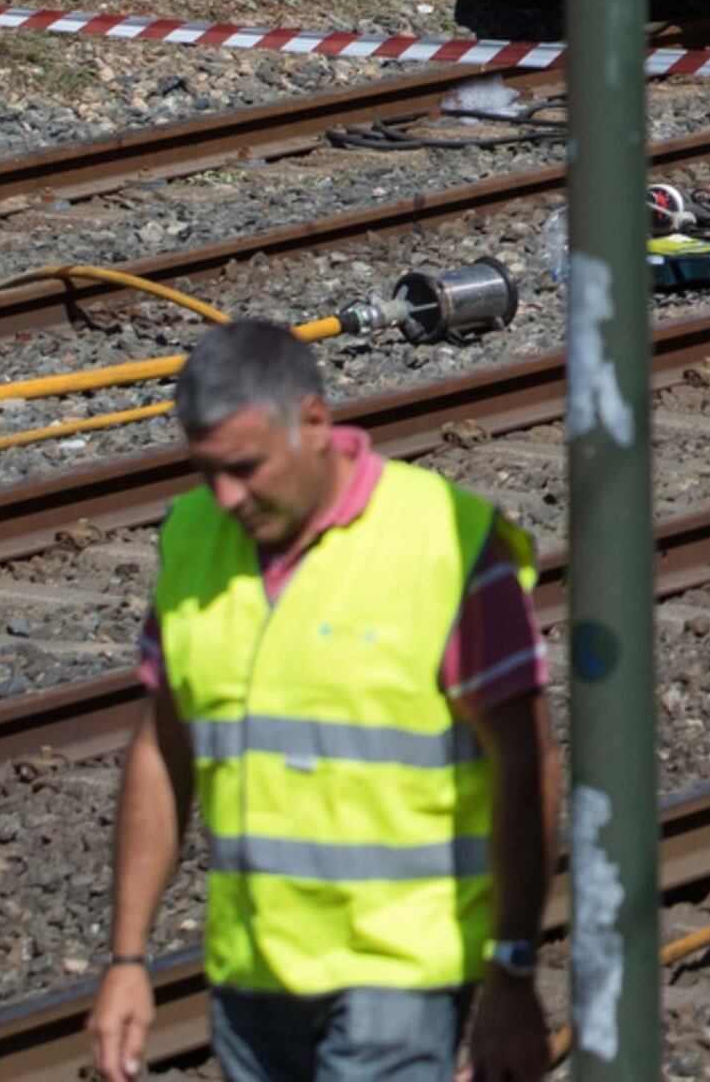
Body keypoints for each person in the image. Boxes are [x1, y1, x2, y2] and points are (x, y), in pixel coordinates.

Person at [96, 322, 551, 1082]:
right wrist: (127, 955)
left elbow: (527, 766)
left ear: (313, 422)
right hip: (249, 977)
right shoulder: (192, 538)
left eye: (245, 468)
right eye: (206, 471)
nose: (226, 497)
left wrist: (512, 966)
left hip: (398, 972)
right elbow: (162, 749)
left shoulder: (444, 539)